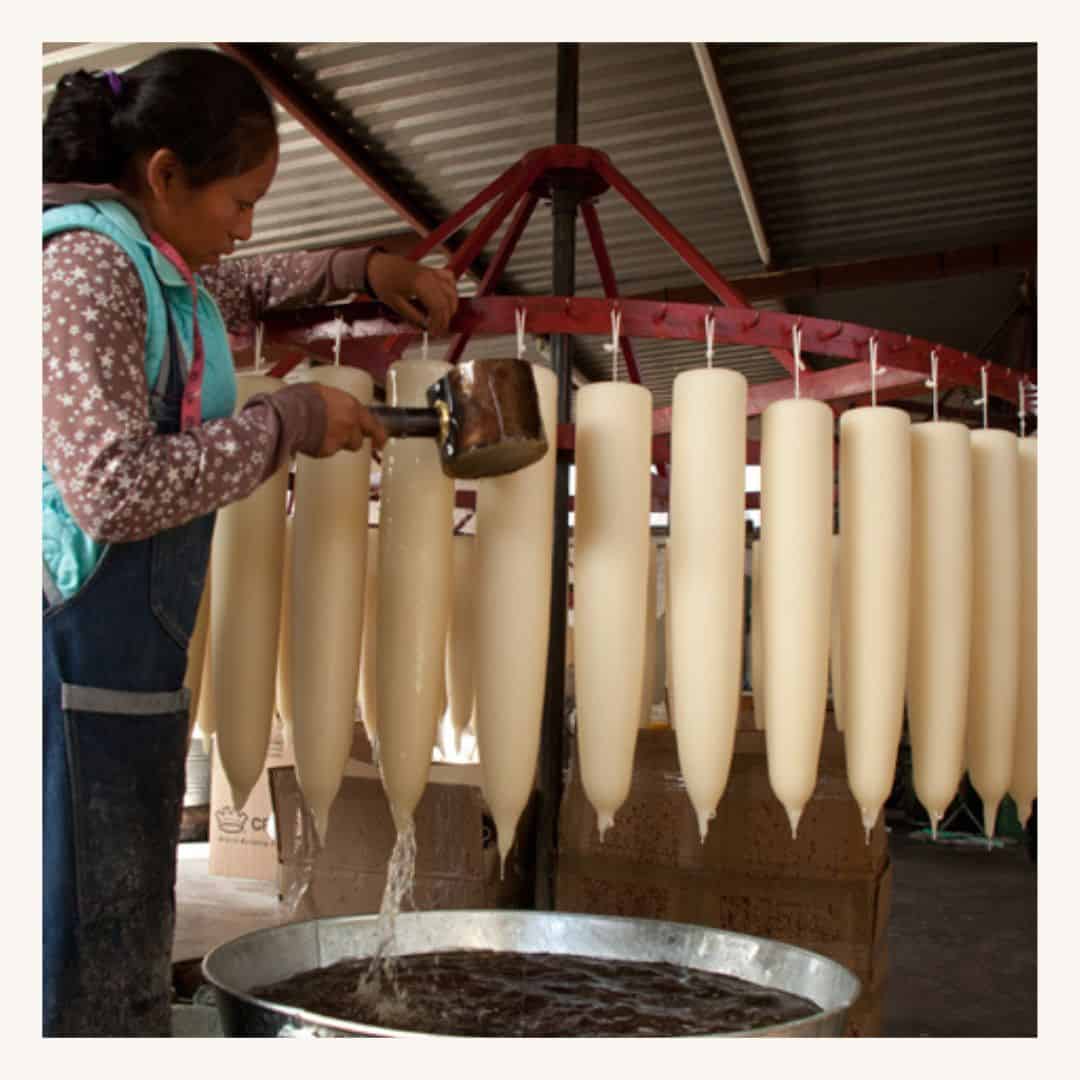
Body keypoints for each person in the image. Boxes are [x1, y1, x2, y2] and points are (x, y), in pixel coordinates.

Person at [42, 47, 459, 1036]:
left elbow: (245, 284)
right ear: (164, 177)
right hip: (69, 658)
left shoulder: (163, 268)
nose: (248, 227)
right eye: (239, 201)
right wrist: (287, 422)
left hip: (130, 666)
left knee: (126, 921)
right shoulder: (85, 266)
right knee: (74, 943)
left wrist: (362, 270)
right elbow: (109, 490)